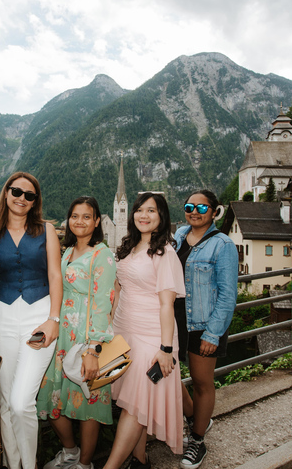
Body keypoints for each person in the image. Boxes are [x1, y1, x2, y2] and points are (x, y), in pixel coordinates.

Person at [0, 171, 63, 469]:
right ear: (6, 193)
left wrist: (54, 319)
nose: (22, 198)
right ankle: (12, 464)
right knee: (5, 401)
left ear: (35, 202)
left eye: (29, 195)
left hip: (39, 315)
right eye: (17, 192)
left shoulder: (46, 230)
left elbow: (55, 274)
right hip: (1, 316)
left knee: (20, 402)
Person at [103, 193, 186, 469]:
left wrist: (165, 349)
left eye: (151, 210)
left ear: (161, 217)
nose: (144, 215)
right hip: (124, 330)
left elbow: (167, 305)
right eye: (139, 209)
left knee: (133, 406)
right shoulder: (130, 246)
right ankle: (139, 460)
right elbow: (118, 288)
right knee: (136, 401)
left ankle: (111, 466)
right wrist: (109, 328)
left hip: (151, 334)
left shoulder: (165, 252)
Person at [37, 197, 117, 469]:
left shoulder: (102, 254)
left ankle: (84, 464)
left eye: (86, 216)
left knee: (88, 404)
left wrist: (93, 349)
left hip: (86, 336)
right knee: (50, 396)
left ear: (97, 221)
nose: (79, 221)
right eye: (74, 216)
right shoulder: (68, 250)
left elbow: (103, 302)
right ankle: (69, 451)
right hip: (62, 336)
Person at [173, 190, 237, 469]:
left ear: (214, 211)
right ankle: (196, 419)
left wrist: (213, 333)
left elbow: (227, 294)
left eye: (202, 207)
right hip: (174, 322)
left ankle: (197, 440)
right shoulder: (177, 237)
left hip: (204, 323)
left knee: (201, 383)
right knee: (170, 379)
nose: (195, 211)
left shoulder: (223, 245)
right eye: (189, 206)